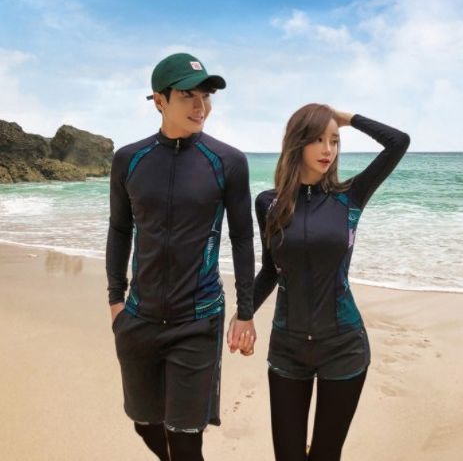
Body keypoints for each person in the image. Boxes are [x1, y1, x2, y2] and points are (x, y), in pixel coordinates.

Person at [229, 104, 410, 460]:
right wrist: (244, 313)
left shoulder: (350, 197)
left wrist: (347, 118)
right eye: (317, 139)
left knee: (326, 454)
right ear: (297, 143)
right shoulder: (269, 203)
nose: (328, 149)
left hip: (344, 346)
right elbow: (271, 269)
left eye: (335, 141)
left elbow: (398, 142)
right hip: (288, 347)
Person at [106, 53, 256, 461]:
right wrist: (116, 301)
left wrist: (245, 312)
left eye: (206, 96)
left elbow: (242, 238)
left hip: (198, 318)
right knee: (144, 423)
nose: (200, 106)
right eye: (188, 96)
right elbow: (119, 230)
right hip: (139, 317)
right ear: (159, 101)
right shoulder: (129, 159)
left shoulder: (228, 162)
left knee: (186, 437)